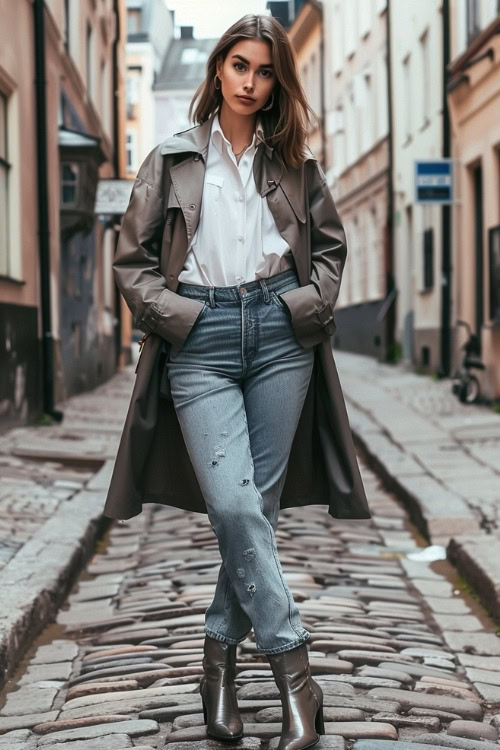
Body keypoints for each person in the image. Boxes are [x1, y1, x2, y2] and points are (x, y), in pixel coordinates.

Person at [105, 13, 371, 750]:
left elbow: (329, 247)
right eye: (240, 67)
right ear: (218, 68)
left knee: (252, 512)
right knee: (233, 502)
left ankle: (218, 666)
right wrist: (177, 316)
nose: (251, 84)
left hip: (281, 336)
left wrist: (310, 305)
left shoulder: (293, 163)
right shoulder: (173, 157)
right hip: (203, 340)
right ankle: (295, 671)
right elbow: (130, 264)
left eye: (264, 72)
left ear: (276, 81)